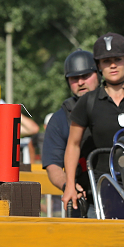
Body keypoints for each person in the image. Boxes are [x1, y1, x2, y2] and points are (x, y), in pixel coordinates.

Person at [62, 33, 124, 213]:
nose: (113, 65)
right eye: (106, 61)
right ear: (99, 65)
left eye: (118, 59)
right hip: (102, 190)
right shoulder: (88, 102)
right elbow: (73, 144)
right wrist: (69, 184)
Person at [43, 49, 100, 192]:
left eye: (86, 76)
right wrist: (68, 186)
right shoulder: (60, 119)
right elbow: (53, 165)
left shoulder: (115, 107)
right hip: (84, 196)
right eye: (74, 78)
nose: (80, 82)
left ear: (98, 74)